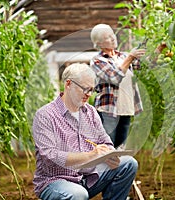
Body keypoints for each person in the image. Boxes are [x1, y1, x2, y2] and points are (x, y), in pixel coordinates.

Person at [32, 63, 138, 200]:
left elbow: (104, 141)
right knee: (78, 194)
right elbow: (50, 157)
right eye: (85, 89)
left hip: (88, 178)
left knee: (129, 164)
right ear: (68, 84)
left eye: (91, 90)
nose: (88, 94)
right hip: (55, 181)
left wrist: (110, 155)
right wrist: (90, 155)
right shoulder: (45, 115)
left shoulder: (90, 112)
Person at [90, 24, 146, 148]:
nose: (113, 38)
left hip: (126, 110)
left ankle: (120, 167)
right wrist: (131, 57)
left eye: (112, 35)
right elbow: (114, 77)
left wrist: (160, 47)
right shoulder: (97, 60)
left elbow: (146, 65)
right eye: (108, 37)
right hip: (108, 111)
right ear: (99, 43)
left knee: (120, 149)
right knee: (107, 149)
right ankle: (103, 168)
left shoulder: (123, 56)